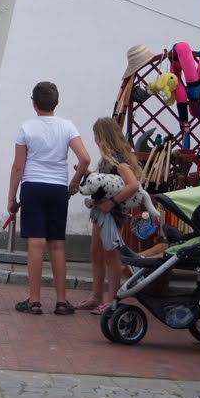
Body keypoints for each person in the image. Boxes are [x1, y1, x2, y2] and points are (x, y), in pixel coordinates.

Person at [7, 80, 91, 316]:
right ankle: (61, 301)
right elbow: (85, 159)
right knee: (57, 244)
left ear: (34, 103)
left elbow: (18, 166)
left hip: (33, 186)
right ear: (57, 102)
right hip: (58, 187)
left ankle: (34, 301)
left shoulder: (26, 128)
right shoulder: (67, 126)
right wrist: (75, 181)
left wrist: (11, 197)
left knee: (36, 244)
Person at [78, 117, 142, 315]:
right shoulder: (107, 159)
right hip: (101, 211)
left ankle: (112, 299)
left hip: (112, 212)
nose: (94, 139)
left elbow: (133, 184)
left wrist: (112, 202)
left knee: (111, 254)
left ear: (102, 136)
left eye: (96, 135)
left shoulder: (118, 160)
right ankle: (97, 296)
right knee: (96, 252)